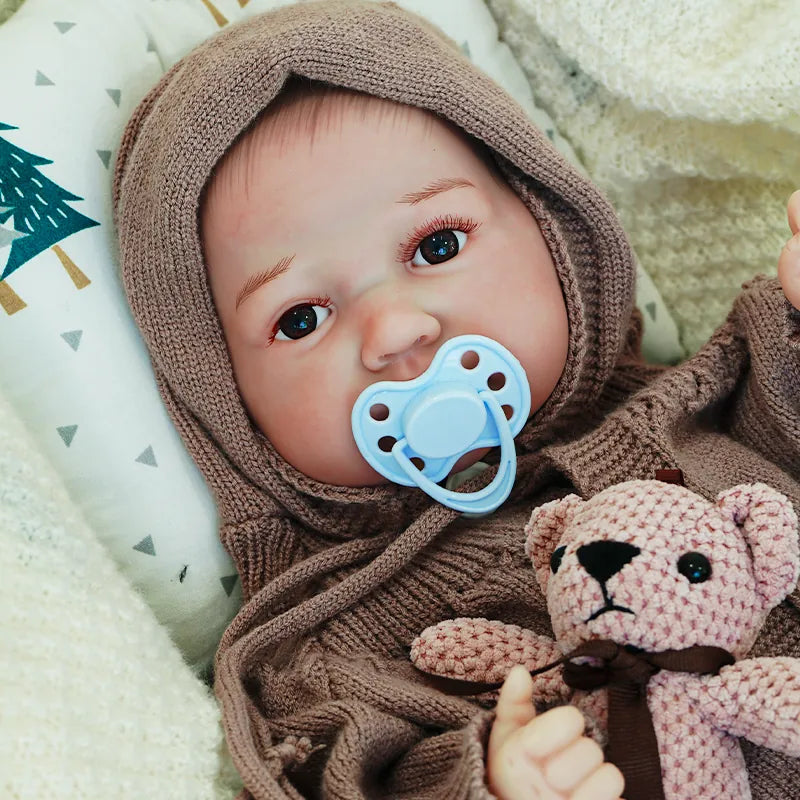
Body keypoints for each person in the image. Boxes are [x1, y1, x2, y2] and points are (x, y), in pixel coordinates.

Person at [112, 2, 800, 798]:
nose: (396, 330)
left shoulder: (724, 398)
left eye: (436, 246)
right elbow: (345, 778)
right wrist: (486, 781)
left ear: (553, 229)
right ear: (228, 409)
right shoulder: (330, 650)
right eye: (301, 318)